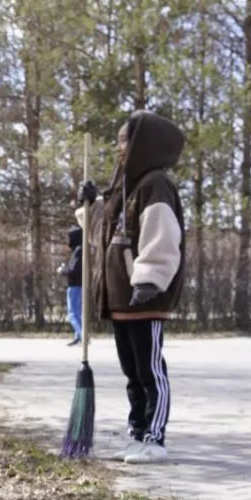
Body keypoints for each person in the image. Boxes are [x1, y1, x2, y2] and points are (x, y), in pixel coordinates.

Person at [80, 109, 185, 466]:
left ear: (143, 143)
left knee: (149, 370)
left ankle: (155, 437)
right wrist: (90, 204)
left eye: (124, 139)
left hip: (144, 296)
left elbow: (162, 236)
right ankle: (138, 432)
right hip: (120, 298)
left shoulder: (155, 184)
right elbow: (102, 231)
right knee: (131, 373)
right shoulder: (126, 187)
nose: (118, 147)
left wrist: (150, 280)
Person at [61, 223, 84, 345]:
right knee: (77, 312)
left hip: (75, 285)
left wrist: (63, 270)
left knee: (72, 313)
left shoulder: (78, 251)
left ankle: (82, 335)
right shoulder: (79, 249)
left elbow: (74, 269)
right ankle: (78, 336)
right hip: (78, 284)